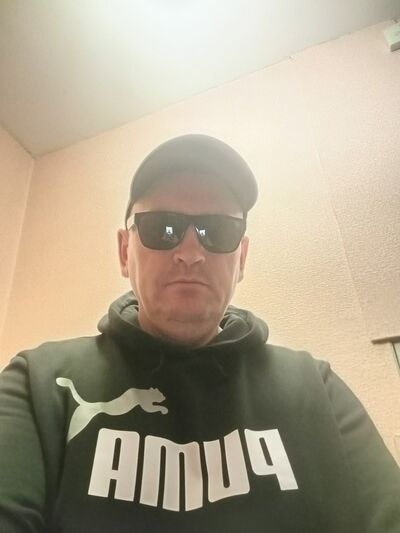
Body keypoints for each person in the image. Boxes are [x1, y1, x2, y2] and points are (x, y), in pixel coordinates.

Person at [0, 134, 399, 533]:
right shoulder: (38, 385)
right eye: (162, 228)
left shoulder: (317, 389)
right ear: (124, 252)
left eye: (218, 231)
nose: (190, 254)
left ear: (241, 259)